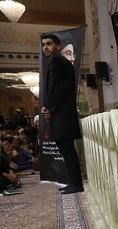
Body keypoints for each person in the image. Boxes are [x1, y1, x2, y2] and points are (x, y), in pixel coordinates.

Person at [41, 33, 84, 194]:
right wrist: (47, 106)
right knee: (66, 149)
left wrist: (49, 108)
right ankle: (74, 182)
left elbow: (56, 89)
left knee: (67, 150)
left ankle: (76, 183)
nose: (46, 47)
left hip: (62, 115)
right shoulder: (57, 61)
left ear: (57, 46)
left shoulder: (57, 61)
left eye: (49, 44)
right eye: (43, 44)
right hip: (61, 113)